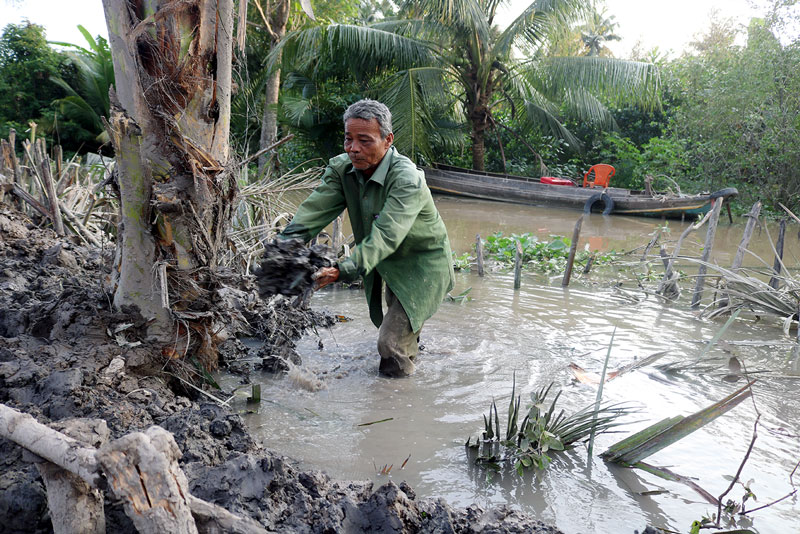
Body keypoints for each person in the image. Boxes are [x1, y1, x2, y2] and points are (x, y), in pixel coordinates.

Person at [280, 99, 455, 377]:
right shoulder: (342, 169)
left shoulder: (407, 179)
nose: (354, 149)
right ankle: (414, 360)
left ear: (388, 140)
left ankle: (396, 404)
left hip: (424, 266)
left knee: (389, 343)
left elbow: (386, 234)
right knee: (400, 328)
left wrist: (342, 270)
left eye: (365, 140)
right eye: (349, 139)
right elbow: (313, 211)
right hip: (387, 262)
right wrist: (284, 246)